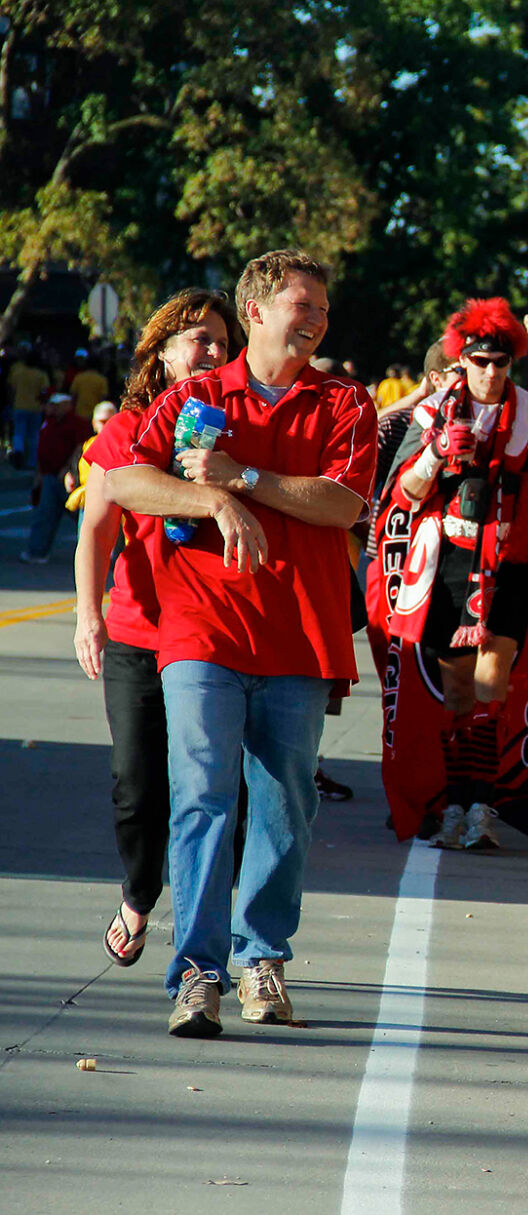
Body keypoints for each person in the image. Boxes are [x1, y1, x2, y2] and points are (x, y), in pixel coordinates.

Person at [104, 249, 377, 1037]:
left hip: (298, 637)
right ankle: (198, 973)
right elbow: (125, 482)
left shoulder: (344, 402)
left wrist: (244, 478)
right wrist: (211, 501)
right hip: (201, 633)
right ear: (255, 309)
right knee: (201, 797)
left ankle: (264, 957)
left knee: (286, 806)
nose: (318, 318)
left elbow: (342, 503)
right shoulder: (194, 395)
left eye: (323, 307)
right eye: (304, 304)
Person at [74, 289, 241, 968]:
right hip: (140, 634)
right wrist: (89, 615)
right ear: (164, 352)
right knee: (137, 782)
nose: (211, 351)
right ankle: (139, 894)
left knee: (215, 787)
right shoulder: (123, 434)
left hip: (216, 637)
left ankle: (206, 931)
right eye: (197, 338)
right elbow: (95, 529)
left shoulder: (237, 432)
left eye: (221, 343)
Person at [389, 298, 528, 851]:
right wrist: (436, 455)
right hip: (450, 564)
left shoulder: (526, 414)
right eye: (482, 361)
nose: (492, 372)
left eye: (502, 362)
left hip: (509, 564)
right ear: (462, 360)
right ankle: (454, 805)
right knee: (458, 690)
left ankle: (482, 807)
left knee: (493, 683)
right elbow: (404, 495)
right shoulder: (433, 411)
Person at [19, 392, 91, 562]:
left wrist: (68, 469)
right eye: (51, 404)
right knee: (45, 515)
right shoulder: (49, 421)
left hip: (68, 478)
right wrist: (38, 474)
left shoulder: (77, 423)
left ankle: (94, 555)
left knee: (83, 516)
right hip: (49, 476)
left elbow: (81, 448)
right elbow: (42, 449)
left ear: (67, 405)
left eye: (56, 405)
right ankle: (38, 551)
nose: (51, 407)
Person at [8, 343, 49, 468]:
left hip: (19, 406)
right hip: (36, 408)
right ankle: (32, 462)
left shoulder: (18, 373)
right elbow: (45, 391)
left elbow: (11, 388)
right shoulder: (41, 375)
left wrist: (12, 402)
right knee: (33, 436)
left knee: (18, 433)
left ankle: (18, 453)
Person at [68, 349, 111, 419]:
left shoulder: (79, 377)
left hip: (79, 414)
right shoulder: (102, 380)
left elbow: (73, 396)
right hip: (95, 415)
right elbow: (103, 398)